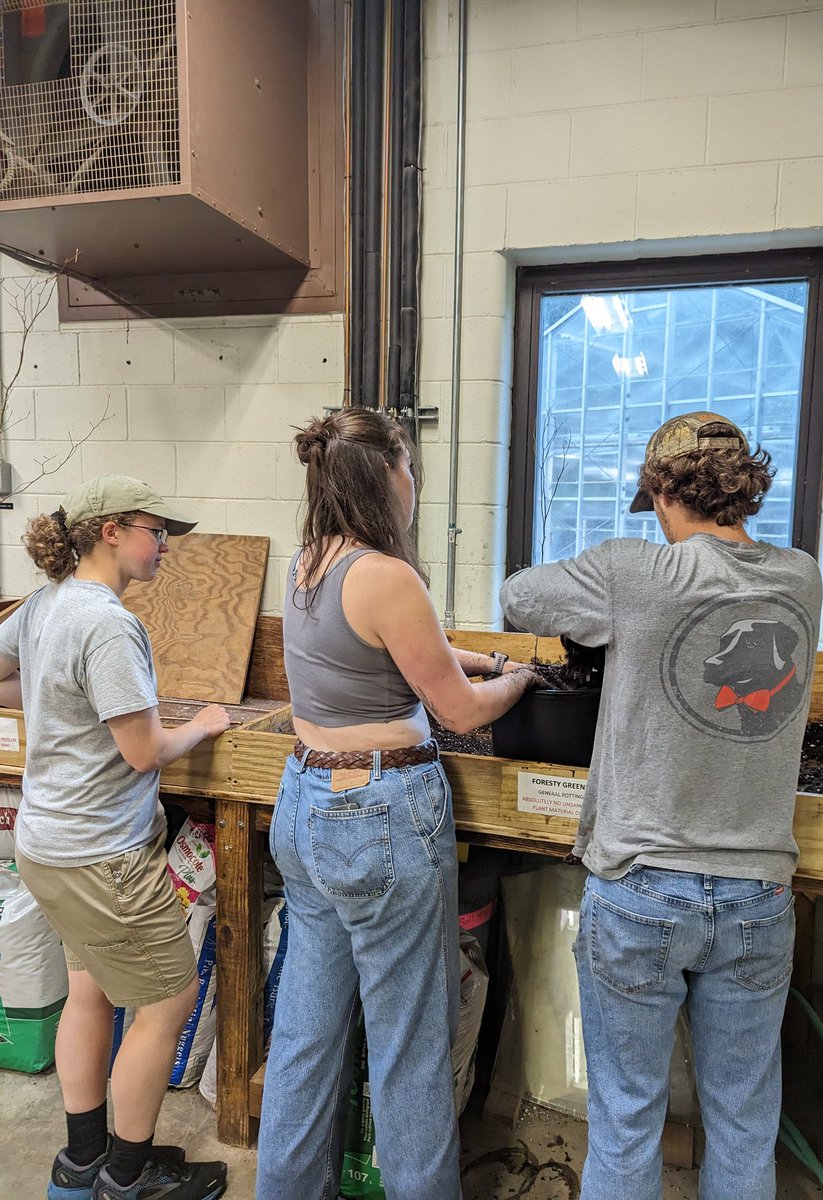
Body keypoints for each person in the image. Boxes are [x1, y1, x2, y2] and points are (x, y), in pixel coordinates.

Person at [500, 413, 823, 1200]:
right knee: (745, 1121)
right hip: (758, 895)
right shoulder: (802, 576)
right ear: (745, 487)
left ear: (660, 490)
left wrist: (610, 629)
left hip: (643, 890)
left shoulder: (634, 572)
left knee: (626, 1118)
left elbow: (518, 596)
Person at [255, 409, 540, 1200]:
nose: (414, 483)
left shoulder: (310, 562)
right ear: (383, 477)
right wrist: (517, 679)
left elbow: (396, 647)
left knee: (305, 1043)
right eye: (409, 466)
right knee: (411, 1048)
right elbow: (458, 710)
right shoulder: (388, 575)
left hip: (308, 807)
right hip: (378, 815)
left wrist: (477, 653)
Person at [0, 475, 231, 1200]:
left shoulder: (45, 605)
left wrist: (45, 690)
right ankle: (126, 1181)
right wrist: (203, 726)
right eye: (156, 531)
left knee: (89, 990)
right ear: (110, 530)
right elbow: (142, 750)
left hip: (48, 848)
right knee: (167, 1001)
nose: (165, 546)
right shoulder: (103, 621)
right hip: (102, 855)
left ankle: (82, 1163)